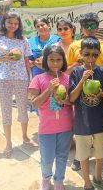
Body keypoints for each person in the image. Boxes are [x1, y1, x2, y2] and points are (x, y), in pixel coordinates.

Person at [67, 12, 103, 171]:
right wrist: (81, 74)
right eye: (86, 25)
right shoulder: (74, 46)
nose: (90, 28)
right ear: (81, 27)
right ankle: (80, 158)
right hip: (81, 92)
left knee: (99, 127)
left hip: (99, 89)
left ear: (98, 27)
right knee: (82, 125)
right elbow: (68, 69)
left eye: (93, 25)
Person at [0, 12, 34, 158]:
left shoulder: (23, 40)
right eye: (10, 22)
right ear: (4, 22)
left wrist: (30, 78)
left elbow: (26, 61)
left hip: (21, 79)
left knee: (22, 109)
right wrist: (4, 57)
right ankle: (8, 143)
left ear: (19, 25)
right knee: (6, 110)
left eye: (16, 23)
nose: (13, 25)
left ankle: (25, 136)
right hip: (3, 79)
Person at [28, 45, 73, 190]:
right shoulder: (38, 78)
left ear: (63, 61)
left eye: (59, 60)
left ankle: (59, 181)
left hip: (66, 127)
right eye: (51, 60)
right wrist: (48, 90)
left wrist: (64, 100)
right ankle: (46, 179)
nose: (55, 63)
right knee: (47, 159)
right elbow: (34, 103)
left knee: (62, 156)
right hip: (47, 128)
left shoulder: (67, 78)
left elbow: (72, 101)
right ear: (45, 60)